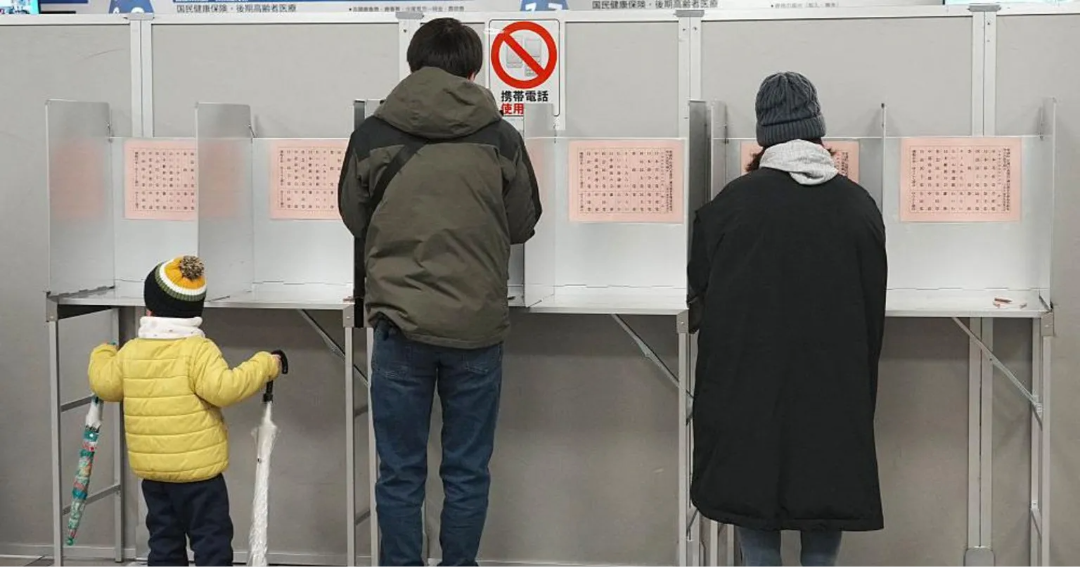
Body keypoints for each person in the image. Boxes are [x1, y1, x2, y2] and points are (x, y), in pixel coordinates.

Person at [337, 17, 542, 567]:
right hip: (476, 327)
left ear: (413, 67)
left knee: (400, 472)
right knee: (467, 470)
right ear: (473, 72)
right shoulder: (500, 137)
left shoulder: (373, 135)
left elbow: (355, 217)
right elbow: (522, 222)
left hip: (399, 326)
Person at [686, 72, 887, 566]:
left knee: (753, 496)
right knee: (827, 494)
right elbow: (872, 307)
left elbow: (700, 291)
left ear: (764, 135)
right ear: (817, 129)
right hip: (834, 387)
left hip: (748, 385)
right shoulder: (857, 206)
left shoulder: (731, 205)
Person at [88, 256, 284, 567]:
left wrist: (103, 352)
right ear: (195, 312)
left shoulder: (132, 351)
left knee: (163, 541)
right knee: (210, 539)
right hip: (199, 475)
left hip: (154, 473)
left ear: (149, 309)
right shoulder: (198, 350)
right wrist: (266, 364)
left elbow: (105, 386)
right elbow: (226, 388)